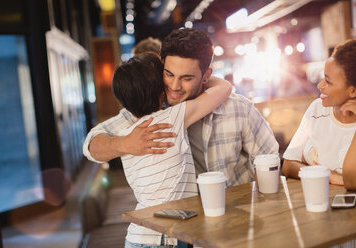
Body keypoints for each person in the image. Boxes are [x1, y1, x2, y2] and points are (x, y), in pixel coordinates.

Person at [83, 28, 278, 187]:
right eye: (169, 74)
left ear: (206, 75)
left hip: (238, 219)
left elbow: (269, 158)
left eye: (186, 78)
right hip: (182, 228)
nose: (175, 87)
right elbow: (91, 146)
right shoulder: (150, 108)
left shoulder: (238, 108)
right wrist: (125, 144)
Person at [111, 53, 231, 247]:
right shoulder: (172, 118)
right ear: (161, 91)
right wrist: (201, 76)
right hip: (164, 237)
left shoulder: (127, 137)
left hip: (136, 236)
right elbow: (224, 87)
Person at [282, 39, 356, 190]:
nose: (320, 85)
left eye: (328, 81)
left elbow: (353, 182)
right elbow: (288, 165)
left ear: (353, 91)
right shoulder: (317, 109)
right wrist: (329, 175)